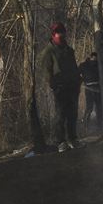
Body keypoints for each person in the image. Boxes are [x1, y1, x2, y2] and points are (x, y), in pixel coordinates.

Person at [39, 23, 81, 151]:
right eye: (58, 32)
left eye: (62, 31)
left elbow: (74, 67)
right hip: (60, 88)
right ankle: (61, 142)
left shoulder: (69, 50)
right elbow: (46, 72)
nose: (60, 34)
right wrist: (54, 85)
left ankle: (73, 139)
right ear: (53, 34)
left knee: (72, 114)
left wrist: (78, 80)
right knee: (60, 115)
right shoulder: (48, 51)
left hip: (73, 87)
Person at [79, 52, 102, 131]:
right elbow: (78, 75)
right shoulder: (84, 65)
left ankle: (100, 125)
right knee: (90, 107)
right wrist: (82, 81)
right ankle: (85, 126)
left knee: (99, 107)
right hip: (89, 88)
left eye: (96, 59)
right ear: (90, 57)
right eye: (94, 58)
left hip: (98, 88)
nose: (95, 60)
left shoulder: (100, 65)